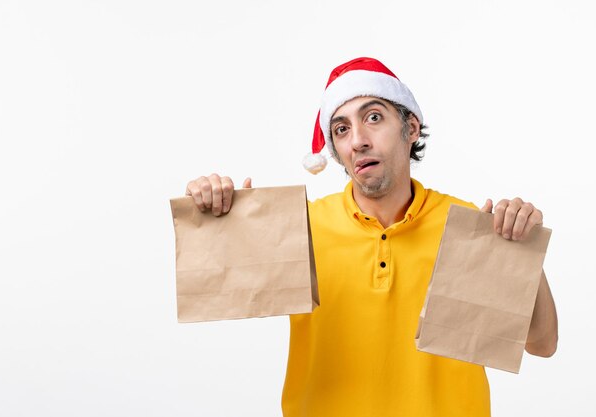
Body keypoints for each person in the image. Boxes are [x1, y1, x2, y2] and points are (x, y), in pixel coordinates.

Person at [184, 57, 558, 417]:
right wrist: (213, 208)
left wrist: (523, 247)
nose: (358, 140)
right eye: (341, 129)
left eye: (373, 117)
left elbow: (542, 343)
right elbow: (211, 286)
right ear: (336, 150)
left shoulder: (467, 227)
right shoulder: (301, 227)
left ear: (410, 128)